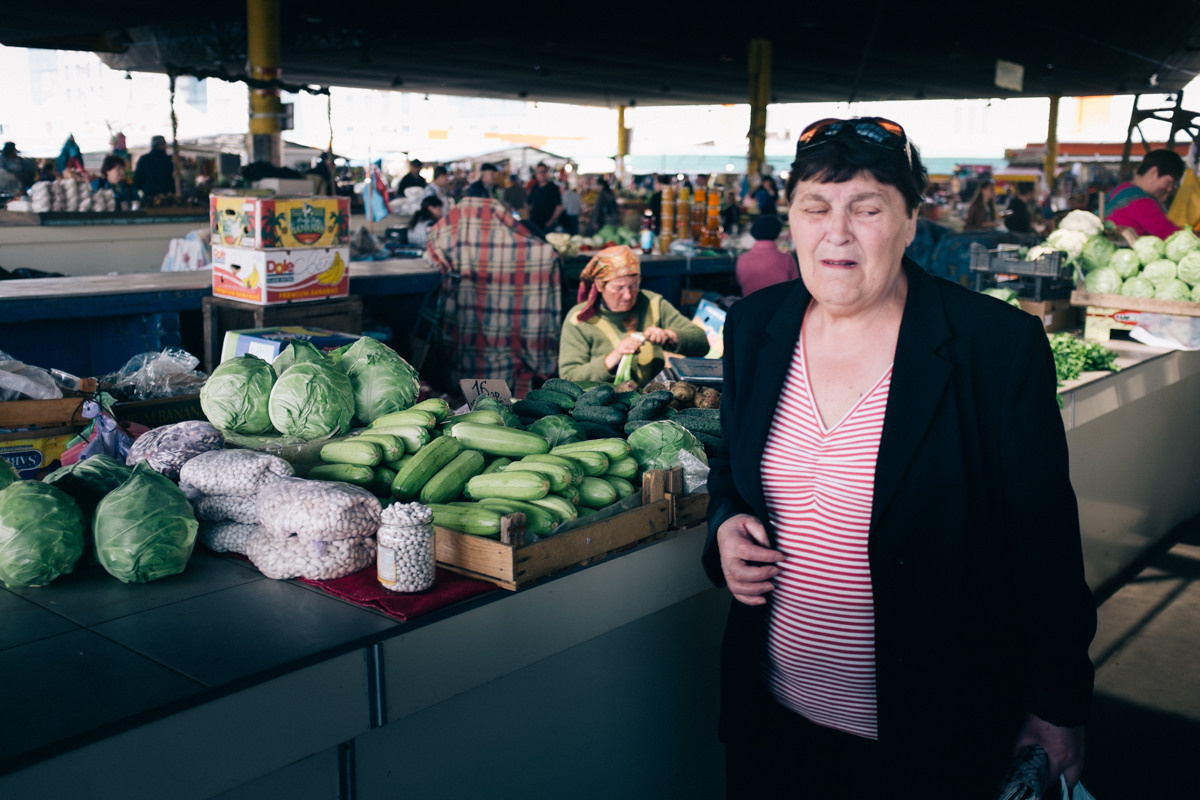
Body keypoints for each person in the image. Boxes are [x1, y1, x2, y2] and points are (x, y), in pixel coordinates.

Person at [704, 116, 1095, 799]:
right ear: (790, 219)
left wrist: (1059, 706)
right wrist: (725, 526)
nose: (838, 231)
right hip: (772, 725)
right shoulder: (754, 327)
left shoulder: (994, 348)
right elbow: (732, 472)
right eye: (816, 207)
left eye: (869, 208)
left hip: (933, 737)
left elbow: (1047, 547)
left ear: (912, 221)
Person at [559, 245, 709, 386]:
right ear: (599, 285)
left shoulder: (653, 303)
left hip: (656, 396)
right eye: (619, 288)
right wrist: (614, 357)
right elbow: (568, 376)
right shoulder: (580, 319)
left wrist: (669, 336)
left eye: (633, 285)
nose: (628, 295)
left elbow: (701, 342)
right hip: (604, 406)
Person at [1104, 148, 1186, 238]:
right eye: (1169, 182)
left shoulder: (1122, 189)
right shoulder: (1141, 201)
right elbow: (1169, 234)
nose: (1170, 188)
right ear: (1153, 172)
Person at [735, 215, 797, 295]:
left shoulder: (742, 259)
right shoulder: (787, 259)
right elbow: (795, 286)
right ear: (778, 233)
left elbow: (739, 283)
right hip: (781, 306)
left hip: (750, 305)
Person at [133, 135, 175, 201]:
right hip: (166, 197)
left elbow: (137, 180)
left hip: (148, 197)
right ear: (159, 145)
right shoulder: (168, 160)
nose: (166, 146)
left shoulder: (144, 159)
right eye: (164, 144)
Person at [528, 162, 563, 231]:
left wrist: (551, 221)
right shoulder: (534, 188)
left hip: (547, 226)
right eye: (539, 172)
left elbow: (559, 207)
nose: (542, 174)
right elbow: (528, 204)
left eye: (544, 171)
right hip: (534, 224)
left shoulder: (553, 188)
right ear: (536, 174)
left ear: (547, 173)